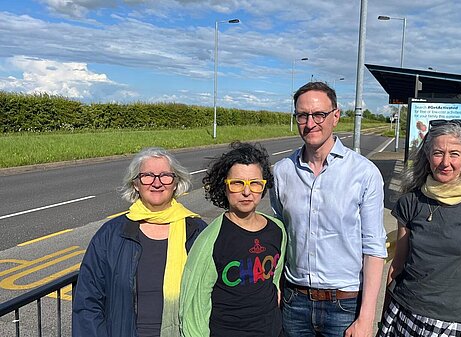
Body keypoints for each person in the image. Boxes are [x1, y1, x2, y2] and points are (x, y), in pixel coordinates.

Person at [270, 81, 387, 337]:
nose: (310, 122)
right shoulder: (281, 172)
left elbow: (374, 248)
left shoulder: (364, 173)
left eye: (319, 114)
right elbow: (280, 235)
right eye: (303, 115)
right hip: (294, 301)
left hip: (344, 305)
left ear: (336, 116)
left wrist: (366, 318)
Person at [377, 119, 461, 337]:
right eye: (438, 153)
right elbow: (396, 267)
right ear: (427, 157)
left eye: (454, 154)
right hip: (404, 314)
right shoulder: (411, 202)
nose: (445, 162)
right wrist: (383, 321)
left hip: (453, 323)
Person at [73, 147, 208, 337]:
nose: (157, 183)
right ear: (136, 183)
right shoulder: (111, 235)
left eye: (165, 176)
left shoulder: (197, 231)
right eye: (147, 176)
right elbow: (88, 302)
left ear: (176, 182)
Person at [180, 142, 287, 337]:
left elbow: (275, 279)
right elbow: (195, 305)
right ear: (224, 186)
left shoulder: (277, 230)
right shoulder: (210, 240)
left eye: (255, 183)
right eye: (237, 183)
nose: (247, 192)